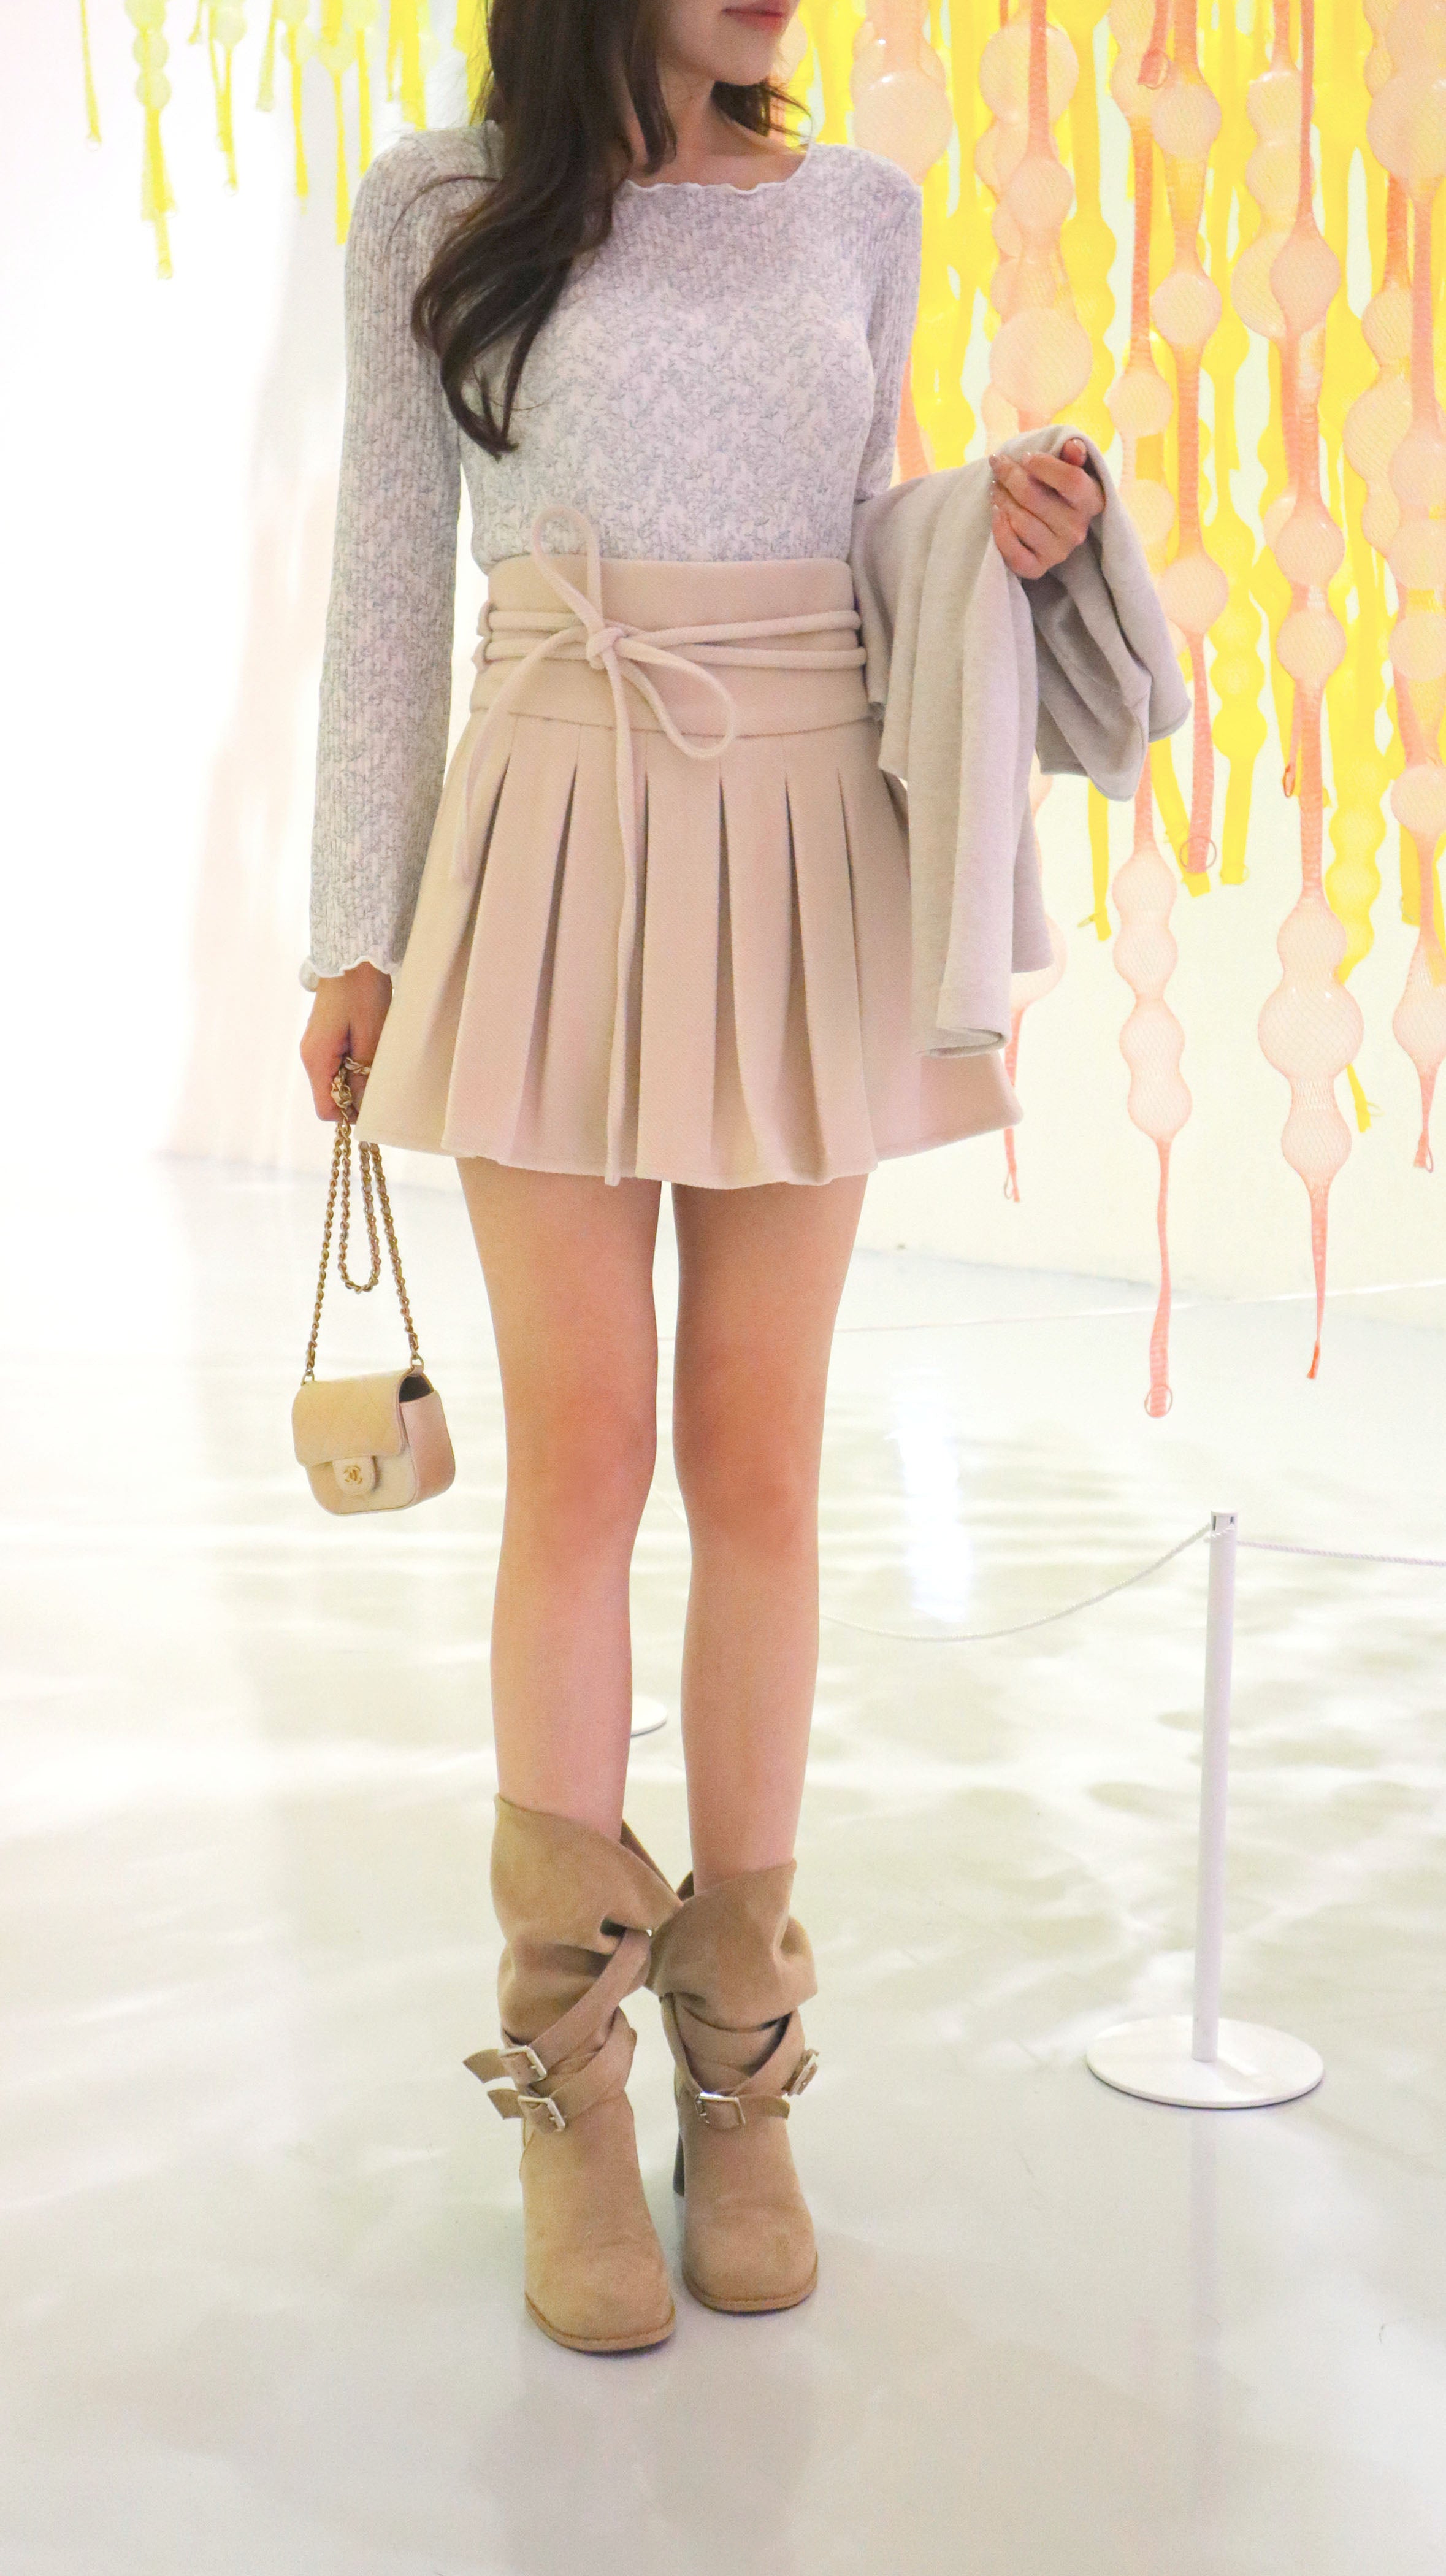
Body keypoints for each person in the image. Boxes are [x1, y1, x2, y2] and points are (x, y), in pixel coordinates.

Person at [299, 0, 1103, 2355]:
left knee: (759, 1463)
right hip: (548, 831)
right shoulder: (439, 205)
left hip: (804, 841)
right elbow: (384, 582)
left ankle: (740, 2078)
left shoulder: (860, 208)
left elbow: (863, 546)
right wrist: (355, 931)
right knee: (585, 1461)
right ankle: (567, 2086)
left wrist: (993, 526)